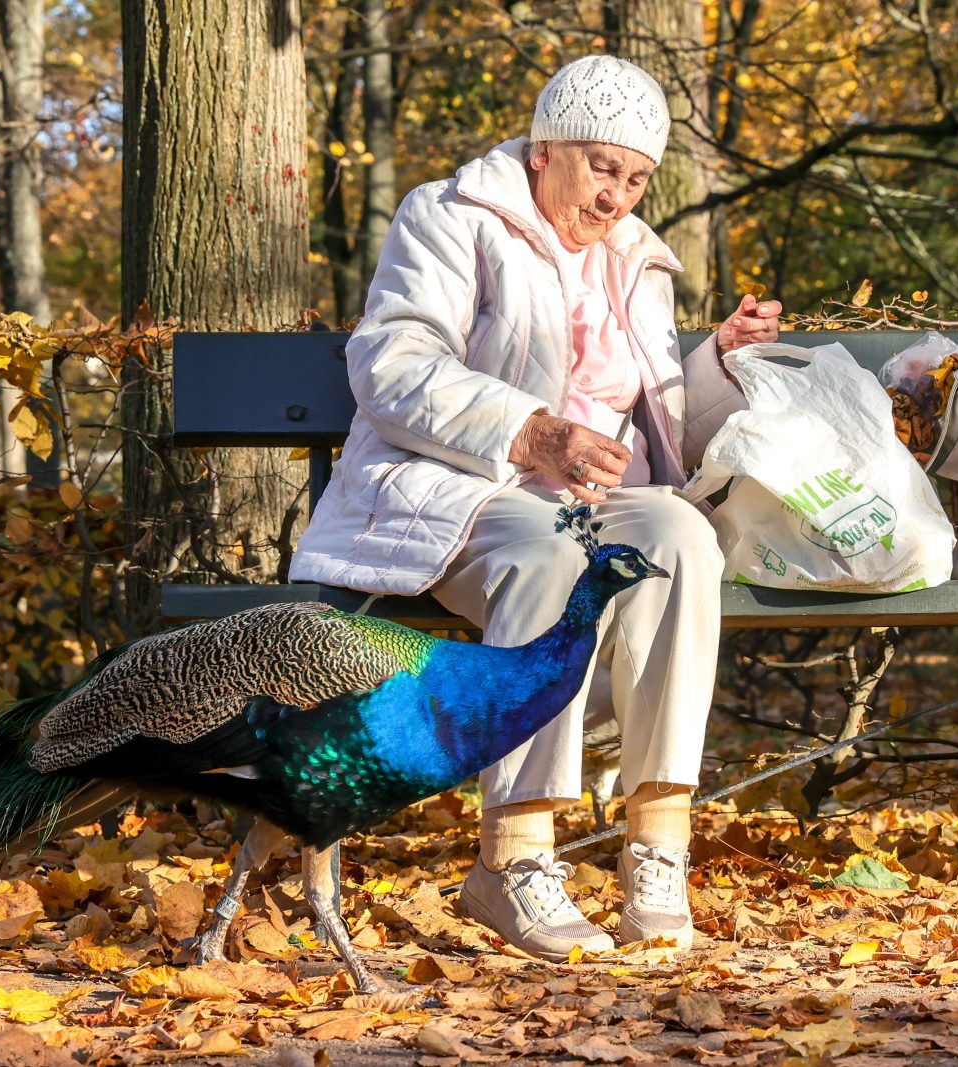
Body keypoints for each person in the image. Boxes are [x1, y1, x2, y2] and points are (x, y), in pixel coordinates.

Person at [290, 55, 782, 960]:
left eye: (637, 179)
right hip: (456, 491)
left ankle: (656, 846)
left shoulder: (638, 262)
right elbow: (391, 365)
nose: (615, 198)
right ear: (545, 147)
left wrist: (718, 360)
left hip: (595, 498)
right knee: (559, 547)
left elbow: (665, 429)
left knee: (680, 537)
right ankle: (512, 858)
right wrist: (532, 432)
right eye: (602, 167)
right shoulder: (452, 217)